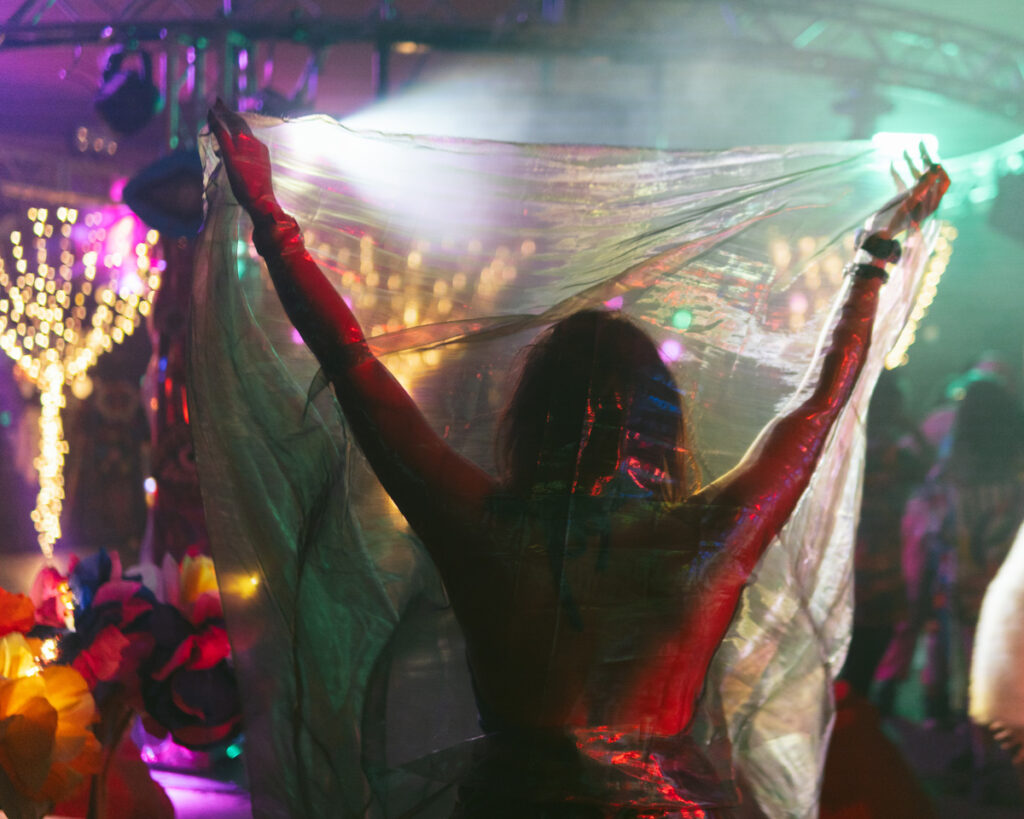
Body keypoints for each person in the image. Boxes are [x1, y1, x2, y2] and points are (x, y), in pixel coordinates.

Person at [206, 102, 948, 817]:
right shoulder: (707, 540)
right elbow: (818, 406)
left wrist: (271, 218)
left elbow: (353, 365)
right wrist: (874, 258)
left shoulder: (481, 527)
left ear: (531, 418)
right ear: (664, 425)